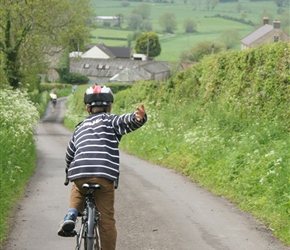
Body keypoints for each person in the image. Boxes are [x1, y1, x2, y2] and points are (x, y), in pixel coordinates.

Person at [58, 85, 147, 250]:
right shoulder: (111, 120)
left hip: (79, 173)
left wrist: (68, 168)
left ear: (87, 108)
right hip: (104, 174)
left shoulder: (79, 128)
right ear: (110, 107)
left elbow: (70, 153)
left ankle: (71, 214)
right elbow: (126, 121)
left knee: (77, 189)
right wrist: (138, 118)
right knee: (106, 220)